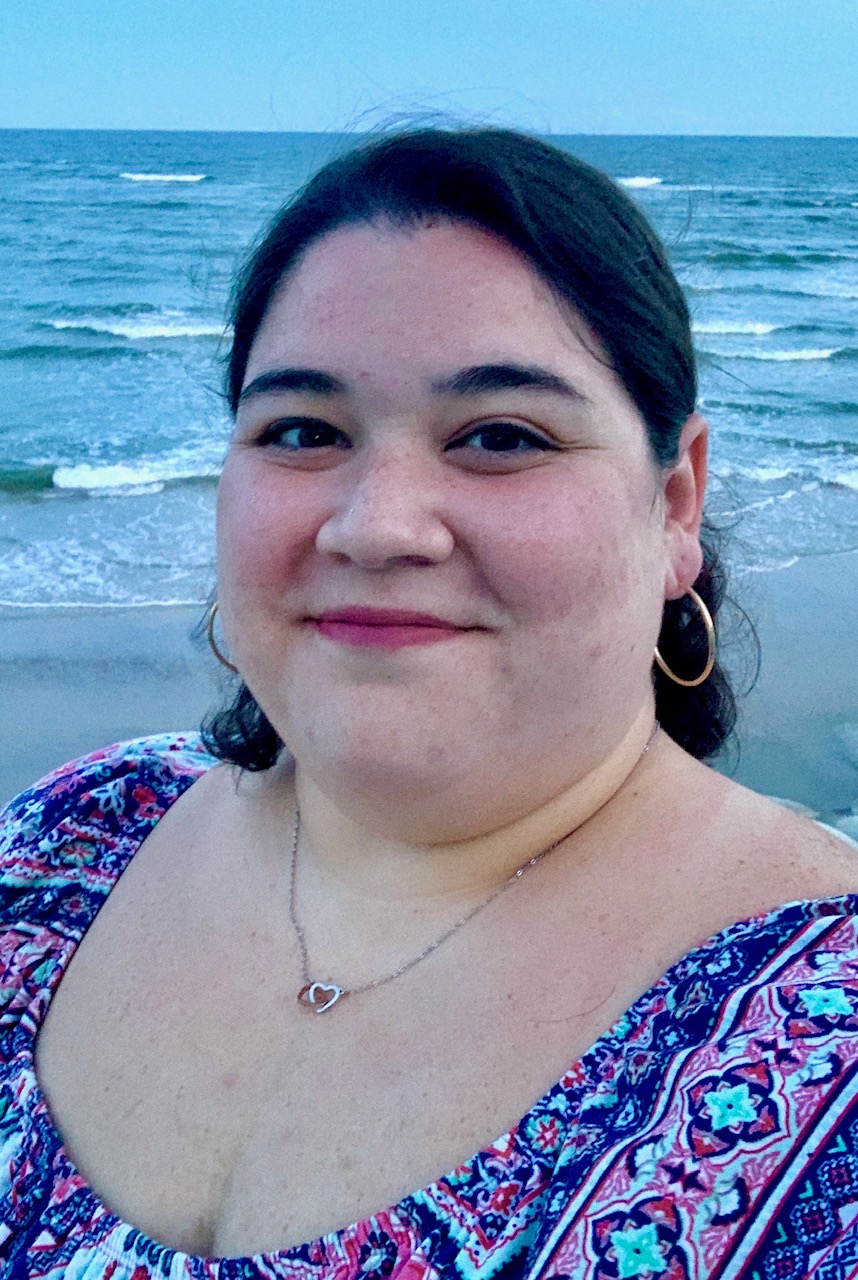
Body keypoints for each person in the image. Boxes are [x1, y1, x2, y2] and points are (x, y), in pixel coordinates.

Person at [2, 127, 857, 1280]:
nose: (376, 526)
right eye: (302, 431)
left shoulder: (829, 1040)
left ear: (674, 504)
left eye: (501, 436)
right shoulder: (69, 837)